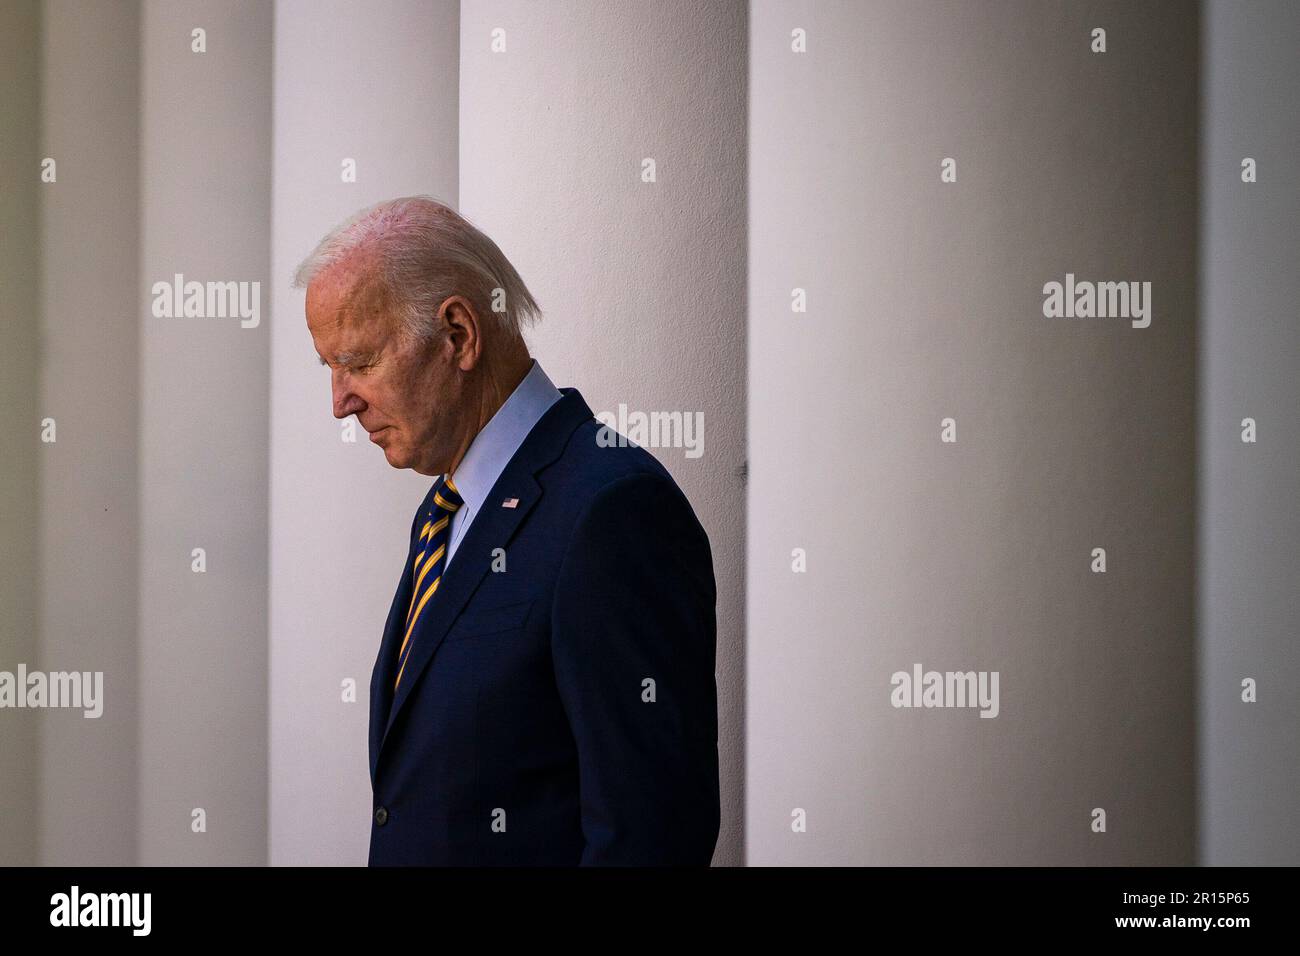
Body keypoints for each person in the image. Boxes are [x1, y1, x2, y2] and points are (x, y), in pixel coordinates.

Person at [294, 196, 720, 865]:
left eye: (361, 361)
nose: (341, 402)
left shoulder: (611, 511)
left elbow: (650, 835)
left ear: (459, 335)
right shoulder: (446, 510)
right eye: (331, 368)